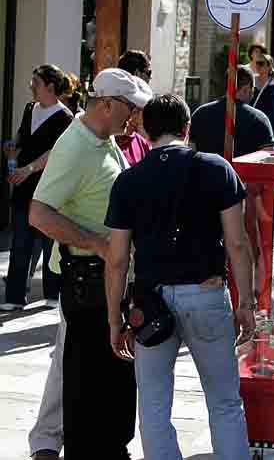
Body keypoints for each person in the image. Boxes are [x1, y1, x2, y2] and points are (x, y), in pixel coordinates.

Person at [104, 94, 255, 460]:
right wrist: (246, 303)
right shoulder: (216, 169)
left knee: (154, 407)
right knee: (224, 402)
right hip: (206, 292)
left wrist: (114, 319)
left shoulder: (129, 180)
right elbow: (237, 242)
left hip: (150, 301)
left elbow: (118, 259)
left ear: (145, 130)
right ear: (187, 128)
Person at [29, 68, 153, 459]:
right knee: (81, 376)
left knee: (84, 372)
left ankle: (54, 441)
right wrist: (98, 244)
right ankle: (53, 442)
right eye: (128, 109)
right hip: (86, 279)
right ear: (105, 105)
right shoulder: (77, 147)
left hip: (104, 279)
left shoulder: (104, 140)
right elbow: (39, 214)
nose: (132, 118)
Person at [2, 65, 73, 312]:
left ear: (50, 87)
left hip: (47, 188)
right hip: (23, 185)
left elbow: (56, 153)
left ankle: (52, 294)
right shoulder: (30, 109)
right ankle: (14, 295)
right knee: (20, 241)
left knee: (49, 242)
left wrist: (29, 169)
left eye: (36, 82)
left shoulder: (66, 117)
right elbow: (23, 137)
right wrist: (13, 150)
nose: (31, 86)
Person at [190, 66, 274, 157]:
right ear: (247, 89)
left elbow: (190, 149)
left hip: (204, 170)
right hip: (243, 171)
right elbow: (269, 154)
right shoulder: (259, 119)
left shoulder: (200, 113)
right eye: (253, 89)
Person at [116, 51, 153, 165]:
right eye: (149, 73)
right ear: (137, 73)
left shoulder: (140, 142)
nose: (150, 78)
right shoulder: (104, 138)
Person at [251, 53, 274, 151]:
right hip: (254, 122)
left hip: (272, 123)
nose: (258, 66)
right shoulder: (252, 81)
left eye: (261, 63)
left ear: (269, 66)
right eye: (256, 63)